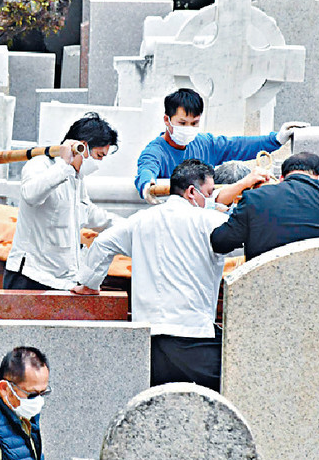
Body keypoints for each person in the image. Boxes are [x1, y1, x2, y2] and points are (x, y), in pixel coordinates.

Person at [72, 160, 232, 390]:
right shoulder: (209, 220)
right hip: (192, 333)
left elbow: (103, 243)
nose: (209, 198)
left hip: (148, 338)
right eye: (208, 192)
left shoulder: (140, 219)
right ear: (191, 192)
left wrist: (90, 284)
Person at [4, 113, 121, 290]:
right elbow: (30, 195)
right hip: (30, 276)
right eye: (98, 155)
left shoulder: (77, 179)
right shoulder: (40, 165)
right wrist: (64, 165)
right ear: (82, 147)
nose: (99, 162)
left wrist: (130, 226)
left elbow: (90, 213)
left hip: (62, 280)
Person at [134, 88, 307, 203]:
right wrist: (148, 187)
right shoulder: (155, 151)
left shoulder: (205, 143)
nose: (188, 129)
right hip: (175, 216)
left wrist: (276, 139)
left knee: (235, 170)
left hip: (210, 213)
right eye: (182, 123)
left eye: (194, 124)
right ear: (167, 120)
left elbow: (239, 145)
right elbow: (147, 169)